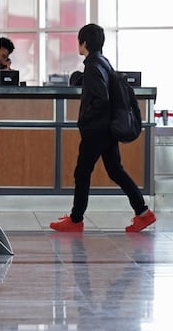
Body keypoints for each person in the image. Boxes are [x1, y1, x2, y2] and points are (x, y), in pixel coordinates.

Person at [50, 23, 156, 233]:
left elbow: (101, 98)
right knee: (115, 171)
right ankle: (143, 213)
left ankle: (76, 220)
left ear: (84, 43)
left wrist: (85, 119)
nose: (78, 45)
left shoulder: (92, 65)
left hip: (96, 130)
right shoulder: (103, 62)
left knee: (82, 173)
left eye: (79, 41)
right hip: (108, 129)